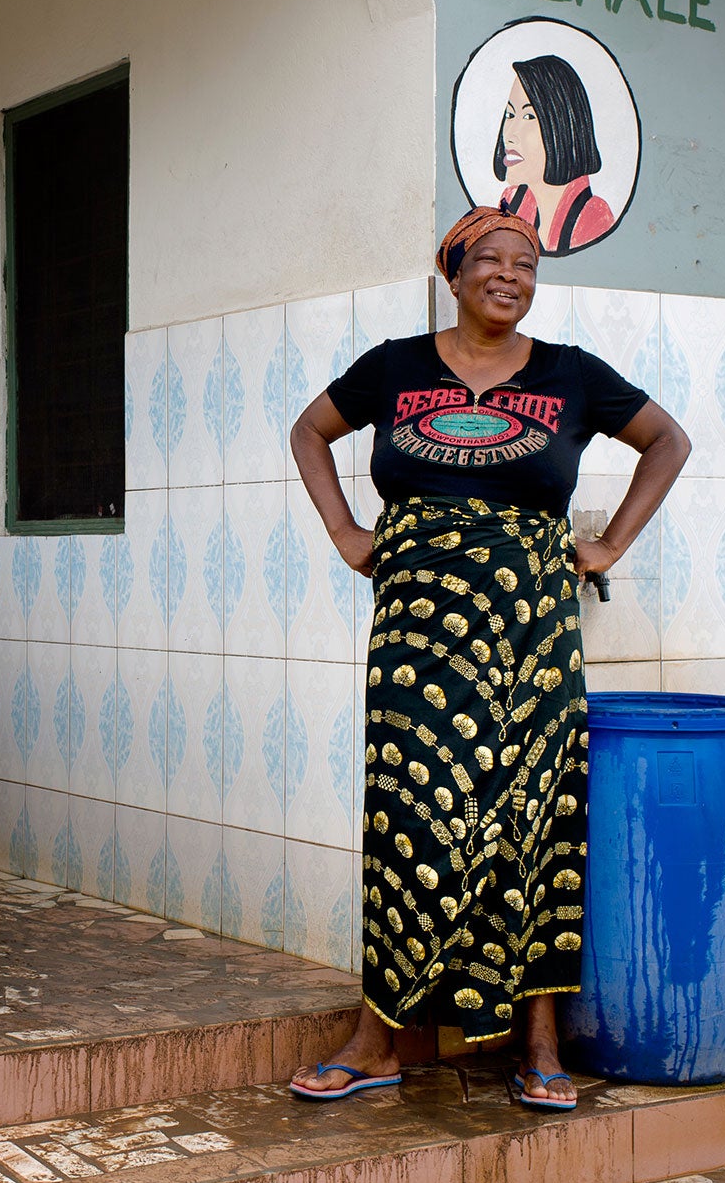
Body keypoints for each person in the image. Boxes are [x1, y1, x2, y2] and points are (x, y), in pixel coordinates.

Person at [285, 207, 689, 1110]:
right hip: (416, 639)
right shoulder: (394, 366)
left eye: (528, 262)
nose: (510, 274)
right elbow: (309, 431)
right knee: (408, 820)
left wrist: (609, 543)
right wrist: (348, 532)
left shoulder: (571, 375)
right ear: (454, 272)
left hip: (532, 638)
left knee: (536, 820)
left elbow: (669, 441)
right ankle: (380, 1035)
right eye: (492, 259)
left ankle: (538, 1042)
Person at [495, 55, 615, 255]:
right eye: (509, 115)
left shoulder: (593, 217)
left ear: (561, 127)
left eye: (528, 116)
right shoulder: (511, 202)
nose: (510, 134)